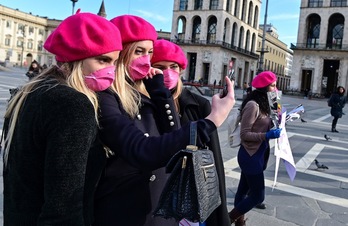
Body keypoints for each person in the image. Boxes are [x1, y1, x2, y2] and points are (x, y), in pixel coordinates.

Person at [93, 15, 236, 226]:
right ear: (120, 52)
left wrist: (160, 92)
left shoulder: (146, 90)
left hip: (158, 209)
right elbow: (141, 150)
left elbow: (174, 135)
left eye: (149, 52)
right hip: (125, 210)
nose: (145, 59)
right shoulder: (106, 96)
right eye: (138, 51)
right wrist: (212, 120)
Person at [3, 12, 122, 226]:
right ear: (75, 57)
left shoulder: (28, 93)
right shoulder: (73, 105)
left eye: (114, 61)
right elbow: (64, 208)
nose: (111, 71)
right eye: (103, 60)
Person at [151, 39, 230, 226]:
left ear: (181, 69)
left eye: (173, 66)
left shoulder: (199, 104)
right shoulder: (144, 104)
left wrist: (220, 215)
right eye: (159, 67)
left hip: (191, 194)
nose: (167, 72)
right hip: (156, 192)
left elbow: (214, 158)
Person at [228, 71, 282, 226]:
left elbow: (267, 124)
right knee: (258, 196)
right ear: (264, 87)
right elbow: (245, 134)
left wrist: (278, 120)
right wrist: (266, 135)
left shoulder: (267, 103)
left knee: (242, 192)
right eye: (272, 85)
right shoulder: (253, 105)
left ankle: (240, 223)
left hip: (258, 154)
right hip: (249, 155)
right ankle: (228, 218)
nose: (275, 88)